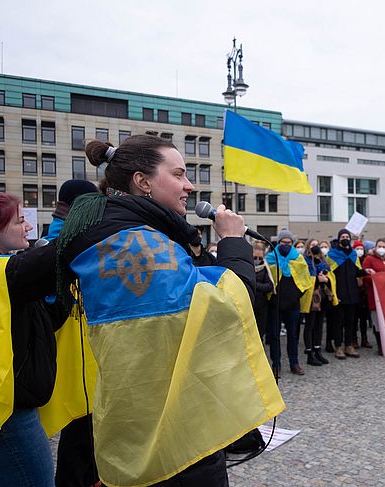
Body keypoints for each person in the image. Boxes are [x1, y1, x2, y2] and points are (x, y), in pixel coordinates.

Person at [56, 135, 283, 486]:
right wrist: (233, 243)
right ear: (143, 181)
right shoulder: (138, 243)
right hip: (172, 435)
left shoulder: (140, 232)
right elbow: (224, 307)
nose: (189, 185)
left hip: (139, 420)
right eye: (178, 174)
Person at [0, 192, 64, 485]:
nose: (28, 227)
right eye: (20, 221)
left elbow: (45, 320)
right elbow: (53, 258)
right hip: (3, 409)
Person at [42, 179, 101, 487]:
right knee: (79, 436)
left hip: (86, 357)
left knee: (87, 436)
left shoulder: (74, 233)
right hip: (71, 357)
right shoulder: (61, 240)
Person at [265, 228, 311, 376]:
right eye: (283, 242)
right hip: (275, 304)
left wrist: (296, 295)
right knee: (274, 336)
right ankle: (276, 364)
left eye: (289, 242)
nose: (286, 244)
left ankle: (294, 363)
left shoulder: (298, 259)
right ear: (278, 243)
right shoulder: (270, 258)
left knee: (293, 335)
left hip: (293, 305)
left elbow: (305, 280)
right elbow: (266, 279)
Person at [328, 229, 367, 359]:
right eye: (342, 236)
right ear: (338, 239)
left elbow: (357, 271)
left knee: (351, 322)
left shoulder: (353, 254)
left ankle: (349, 345)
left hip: (352, 293)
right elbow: (329, 274)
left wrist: (367, 271)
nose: (345, 238)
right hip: (339, 292)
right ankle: (339, 346)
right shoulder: (332, 255)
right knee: (338, 322)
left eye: (347, 236)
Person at [302, 239, 334, 366]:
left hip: (322, 296)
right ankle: (309, 353)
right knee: (310, 324)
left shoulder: (322, 260)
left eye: (317, 245)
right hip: (311, 297)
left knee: (319, 325)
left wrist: (326, 278)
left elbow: (330, 274)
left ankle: (317, 350)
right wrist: (316, 279)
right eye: (313, 245)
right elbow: (304, 278)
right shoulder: (305, 260)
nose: (315, 247)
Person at [362, 238, 385, 355]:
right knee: (377, 321)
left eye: (383, 246)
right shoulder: (369, 259)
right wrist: (375, 277)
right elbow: (364, 276)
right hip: (374, 295)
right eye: (379, 246)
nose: (381, 248)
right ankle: (381, 346)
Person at [352, 240, 372, 348]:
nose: (359, 251)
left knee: (364, 318)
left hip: (364, 291)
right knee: (354, 318)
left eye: (361, 249)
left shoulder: (365, 260)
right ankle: (354, 339)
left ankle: (364, 339)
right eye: (357, 249)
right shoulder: (352, 260)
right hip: (355, 291)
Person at [253, 242, 273, 340]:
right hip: (248, 304)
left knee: (260, 334)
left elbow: (269, 286)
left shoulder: (265, 268)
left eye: (260, 258)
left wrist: (255, 285)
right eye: (255, 258)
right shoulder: (246, 267)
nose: (257, 261)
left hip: (261, 305)